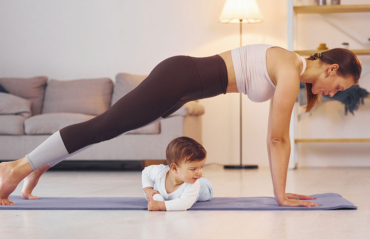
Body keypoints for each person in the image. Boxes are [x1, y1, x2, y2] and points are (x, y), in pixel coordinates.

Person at [0, 44, 362, 207]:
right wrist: (280, 196)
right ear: (332, 69)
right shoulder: (289, 67)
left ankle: (37, 164)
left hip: (183, 87)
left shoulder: (292, 69)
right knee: (103, 126)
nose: (333, 94)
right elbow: (277, 138)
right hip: (180, 76)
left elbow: (278, 136)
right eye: (340, 87)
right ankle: (15, 168)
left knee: (106, 128)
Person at [143, 136, 213, 211]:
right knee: (149, 194)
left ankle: (203, 179)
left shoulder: (193, 184)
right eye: (193, 169)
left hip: (201, 188)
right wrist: (148, 189)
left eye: (201, 167)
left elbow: (184, 203)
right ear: (174, 168)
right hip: (170, 181)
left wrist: (161, 205)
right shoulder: (160, 172)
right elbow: (146, 172)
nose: (199, 172)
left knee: (208, 191)